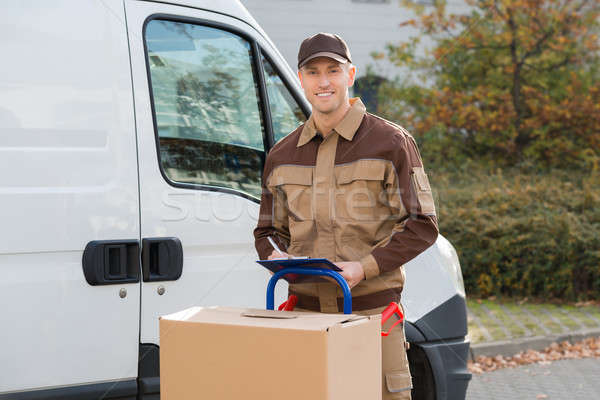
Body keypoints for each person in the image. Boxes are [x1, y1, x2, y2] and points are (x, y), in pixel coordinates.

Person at [254, 32, 438, 400]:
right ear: (301, 78)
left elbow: (422, 225)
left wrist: (363, 267)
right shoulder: (281, 154)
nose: (324, 82)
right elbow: (267, 231)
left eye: (333, 70)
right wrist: (276, 255)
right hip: (303, 321)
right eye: (313, 72)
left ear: (349, 75)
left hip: (371, 319)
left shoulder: (391, 142)